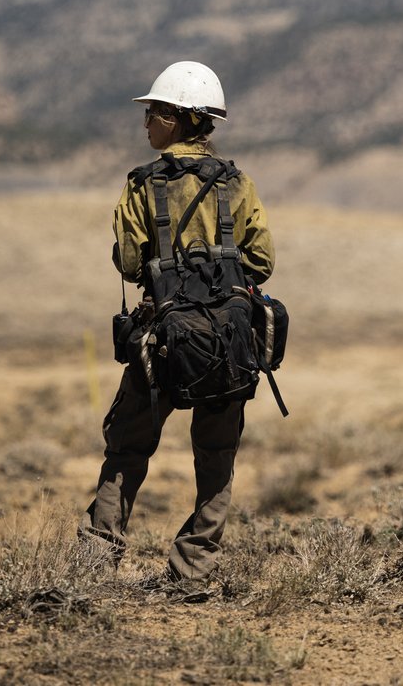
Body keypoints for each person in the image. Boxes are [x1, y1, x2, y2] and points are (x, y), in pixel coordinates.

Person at [81, 61, 274, 586]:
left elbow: (126, 262)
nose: (145, 124)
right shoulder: (239, 184)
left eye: (154, 113)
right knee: (217, 457)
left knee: (127, 446)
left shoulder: (142, 187)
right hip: (227, 339)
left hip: (161, 338)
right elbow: (262, 261)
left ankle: (97, 563)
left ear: (181, 119)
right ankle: (193, 569)